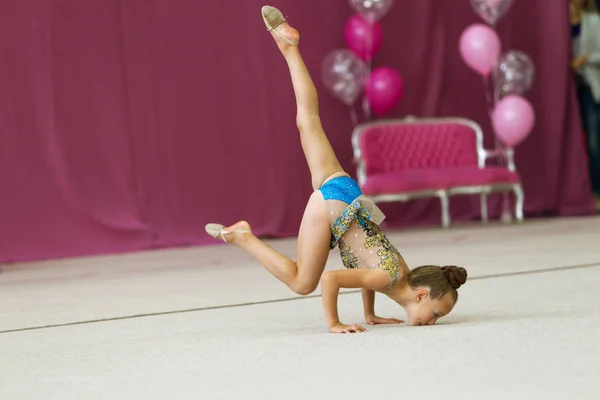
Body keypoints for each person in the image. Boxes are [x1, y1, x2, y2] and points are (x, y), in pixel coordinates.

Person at [205, 6, 468, 333]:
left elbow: (368, 273)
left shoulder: (399, 273)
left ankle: (289, 48)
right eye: (436, 313)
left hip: (346, 192)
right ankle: (244, 238)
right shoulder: (389, 277)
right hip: (334, 206)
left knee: (308, 122)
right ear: (422, 295)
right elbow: (333, 279)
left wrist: (369, 315)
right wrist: (335, 323)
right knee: (303, 283)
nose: (433, 320)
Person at [570, 0, 600, 207]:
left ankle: (597, 191)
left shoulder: (594, 20)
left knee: (594, 142)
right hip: (571, 89)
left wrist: (586, 58)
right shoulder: (560, 23)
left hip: (591, 88)